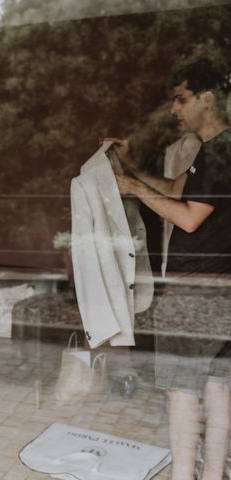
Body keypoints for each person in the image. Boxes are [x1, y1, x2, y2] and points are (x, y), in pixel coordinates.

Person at [112, 58, 231, 480]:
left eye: (180, 99)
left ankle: (184, 475)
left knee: (182, 391)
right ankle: (213, 475)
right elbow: (177, 189)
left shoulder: (222, 152)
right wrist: (133, 171)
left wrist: (132, 189)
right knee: (218, 387)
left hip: (197, 292)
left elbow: (188, 216)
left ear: (207, 98)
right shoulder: (212, 151)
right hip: (219, 291)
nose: (174, 109)